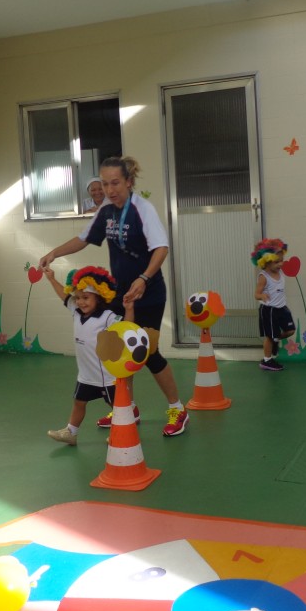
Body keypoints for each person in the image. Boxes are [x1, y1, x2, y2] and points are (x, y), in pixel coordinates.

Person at [39, 155, 189, 436]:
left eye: (115, 183)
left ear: (129, 182)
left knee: (148, 352)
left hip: (149, 293)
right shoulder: (106, 211)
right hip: (120, 293)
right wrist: (54, 253)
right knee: (118, 351)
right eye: (105, 184)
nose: (109, 190)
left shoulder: (142, 209)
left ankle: (177, 409)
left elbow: (161, 248)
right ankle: (127, 407)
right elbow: (84, 238)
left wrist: (144, 278)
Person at [43, 265, 131, 446]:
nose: (81, 302)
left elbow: (126, 328)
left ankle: (126, 432)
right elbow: (63, 296)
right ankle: (71, 433)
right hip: (86, 375)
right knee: (79, 403)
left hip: (106, 376)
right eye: (78, 298)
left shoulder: (107, 316)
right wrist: (51, 279)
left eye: (86, 298)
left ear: (98, 296)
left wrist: (129, 309)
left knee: (117, 406)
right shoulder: (76, 311)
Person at [252, 238, 296, 371]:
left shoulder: (280, 272)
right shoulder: (263, 277)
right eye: (276, 262)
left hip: (282, 308)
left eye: (281, 260)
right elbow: (256, 294)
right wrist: (262, 296)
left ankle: (276, 339)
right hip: (269, 310)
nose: (280, 264)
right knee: (269, 336)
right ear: (266, 262)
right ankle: (267, 361)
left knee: (290, 330)